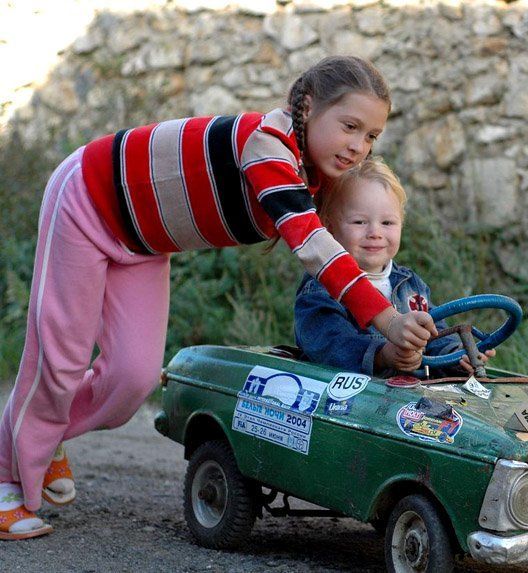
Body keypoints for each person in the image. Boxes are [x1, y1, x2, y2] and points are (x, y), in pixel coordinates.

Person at [0, 56, 437, 540]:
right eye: (350, 126)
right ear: (308, 108)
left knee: (132, 379)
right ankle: (5, 475)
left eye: (371, 136)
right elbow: (314, 245)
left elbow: (349, 222)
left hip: (145, 242)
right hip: (89, 198)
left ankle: (39, 435)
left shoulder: (314, 176)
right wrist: (386, 320)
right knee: (59, 359)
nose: (359, 146)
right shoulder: (268, 147)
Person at [294, 158, 494, 376]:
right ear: (328, 228)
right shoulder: (320, 289)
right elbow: (329, 344)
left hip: (407, 400)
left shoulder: (409, 283)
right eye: (359, 222)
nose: (375, 233)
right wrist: (381, 355)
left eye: (387, 223)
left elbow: (433, 332)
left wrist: (457, 354)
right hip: (346, 400)